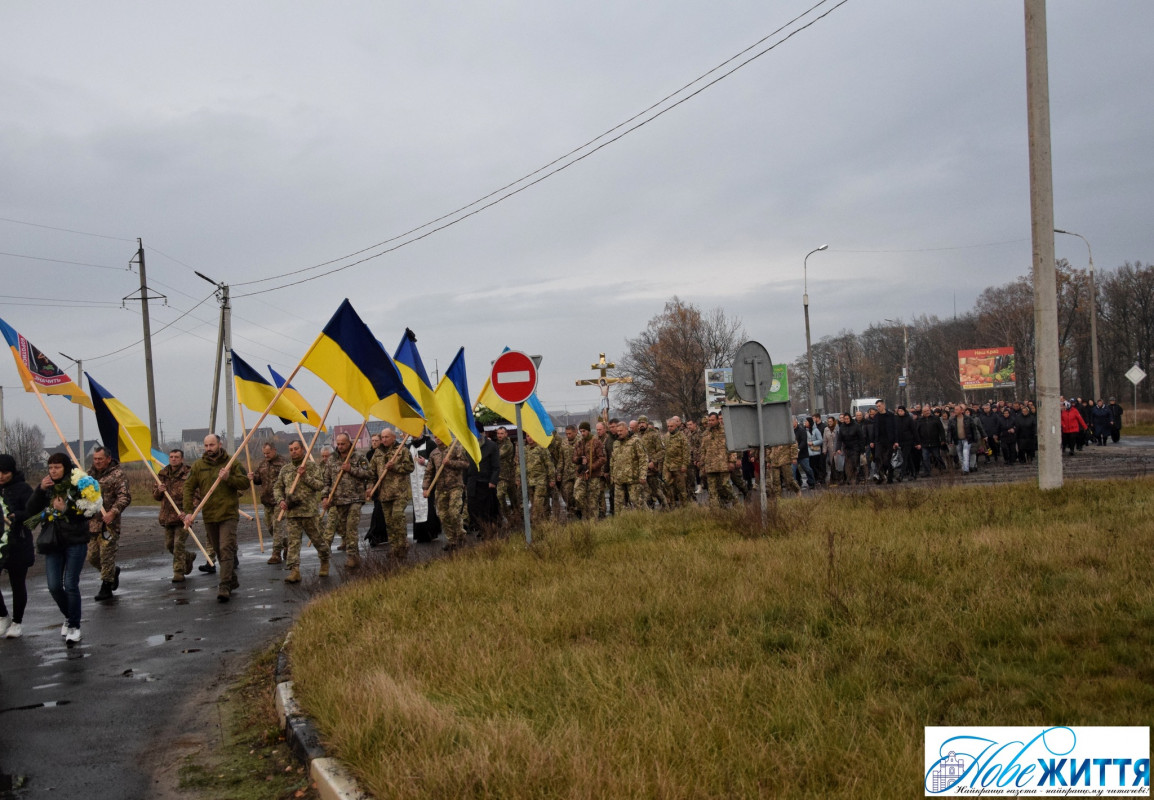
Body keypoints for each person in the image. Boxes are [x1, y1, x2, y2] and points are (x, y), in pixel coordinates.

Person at [27, 453, 98, 645]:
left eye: (57, 467)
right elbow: (30, 509)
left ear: (65, 468)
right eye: (50, 468)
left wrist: (66, 510)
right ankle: (69, 614)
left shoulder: (79, 484)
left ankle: (74, 626)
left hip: (75, 541)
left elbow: (89, 512)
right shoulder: (47, 487)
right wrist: (40, 490)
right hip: (53, 542)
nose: (53, 471)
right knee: (54, 586)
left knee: (70, 584)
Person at [182, 434, 250, 602]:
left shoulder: (231, 462)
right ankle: (231, 578)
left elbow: (245, 483)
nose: (208, 448)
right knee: (219, 550)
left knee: (226, 547)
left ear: (219, 444)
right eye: (206, 445)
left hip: (228, 514)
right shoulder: (198, 466)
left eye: (211, 445)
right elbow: (188, 488)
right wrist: (188, 512)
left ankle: (224, 585)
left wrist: (229, 478)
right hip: (210, 515)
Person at [275, 439, 330, 583]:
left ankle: (324, 560)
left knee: (318, 539)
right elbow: (277, 487)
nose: (294, 451)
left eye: (296, 448)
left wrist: (305, 476)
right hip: (292, 512)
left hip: (309, 512)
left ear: (303, 450)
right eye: (291, 449)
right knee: (293, 542)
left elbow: (319, 485)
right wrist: (280, 500)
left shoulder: (311, 467)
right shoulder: (286, 469)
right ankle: (295, 570)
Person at [87, 446, 132, 602]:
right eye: (95, 459)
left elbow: (124, 497)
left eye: (100, 459)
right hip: (92, 524)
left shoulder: (118, 475)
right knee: (92, 557)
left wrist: (113, 512)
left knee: (106, 556)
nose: (97, 462)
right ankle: (113, 572)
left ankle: (106, 587)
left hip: (109, 525)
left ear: (108, 458)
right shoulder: (89, 475)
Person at [321, 432, 371, 569]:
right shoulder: (332, 459)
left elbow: (369, 473)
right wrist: (325, 496)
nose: (340, 446)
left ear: (349, 443)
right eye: (338, 444)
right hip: (339, 499)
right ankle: (354, 553)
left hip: (355, 498)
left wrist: (351, 469)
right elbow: (326, 481)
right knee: (343, 528)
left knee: (351, 527)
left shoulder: (359, 457)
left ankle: (352, 556)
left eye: (343, 443)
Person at [367, 428, 415, 562]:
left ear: (394, 438)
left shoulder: (402, 450)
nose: (384, 440)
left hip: (400, 492)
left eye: (387, 437)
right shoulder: (378, 453)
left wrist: (395, 467)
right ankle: (395, 547)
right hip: (384, 494)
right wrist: (370, 488)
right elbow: (371, 474)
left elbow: (410, 467)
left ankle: (402, 545)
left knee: (397, 517)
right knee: (389, 523)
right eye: (382, 437)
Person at [0, 454, 34, 639]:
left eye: (5, 472)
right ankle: (3, 615)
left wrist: (16, 516)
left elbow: (31, 512)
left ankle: (17, 622)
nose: (1, 476)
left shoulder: (23, 488)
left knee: (17, 584)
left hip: (18, 542)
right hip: (0, 544)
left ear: (12, 471)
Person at [153, 449, 195, 583]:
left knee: (178, 545)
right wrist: (159, 491)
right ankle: (187, 557)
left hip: (183, 517)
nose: (173, 459)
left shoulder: (189, 474)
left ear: (182, 459)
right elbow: (155, 496)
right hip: (168, 517)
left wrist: (188, 510)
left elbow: (196, 495)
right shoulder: (163, 474)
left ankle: (178, 572)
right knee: (169, 545)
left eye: (176, 457)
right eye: (171, 457)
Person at [423, 438, 470, 550]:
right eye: (435, 436)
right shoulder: (434, 453)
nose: (437, 438)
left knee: (453, 513)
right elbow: (429, 472)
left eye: (439, 436)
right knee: (443, 515)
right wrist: (425, 487)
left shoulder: (455, 448)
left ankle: (461, 536)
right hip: (440, 488)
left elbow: (466, 464)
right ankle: (452, 540)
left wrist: (450, 463)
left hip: (455, 486)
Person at [249, 442, 286, 564]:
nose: (266, 456)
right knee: (270, 527)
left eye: (268, 453)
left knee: (277, 526)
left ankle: (276, 554)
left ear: (274, 450)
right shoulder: (263, 464)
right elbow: (258, 479)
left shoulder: (283, 463)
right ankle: (287, 543)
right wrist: (252, 477)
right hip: (266, 501)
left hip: (279, 501)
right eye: (264, 453)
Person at [572, 421, 607, 520]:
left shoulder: (596, 442)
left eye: (584, 431)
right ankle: (583, 512)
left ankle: (593, 523)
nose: (582, 433)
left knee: (593, 501)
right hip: (581, 475)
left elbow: (602, 459)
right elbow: (573, 458)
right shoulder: (579, 443)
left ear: (588, 430)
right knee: (577, 496)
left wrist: (590, 467)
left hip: (593, 475)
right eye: (581, 431)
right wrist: (579, 460)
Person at [611, 418, 648, 511]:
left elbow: (643, 458)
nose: (619, 433)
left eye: (621, 431)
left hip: (633, 478)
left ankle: (646, 520)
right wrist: (613, 476)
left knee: (638, 503)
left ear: (627, 430)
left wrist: (643, 475)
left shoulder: (635, 441)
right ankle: (623, 522)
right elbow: (613, 460)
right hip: (619, 479)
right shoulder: (616, 443)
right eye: (618, 431)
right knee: (618, 505)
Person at [701, 412, 736, 508]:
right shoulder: (705, 434)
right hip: (710, 465)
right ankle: (715, 509)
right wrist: (702, 465)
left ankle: (735, 502)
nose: (710, 422)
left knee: (726, 486)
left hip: (723, 464)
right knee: (712, 489)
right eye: (709, 420)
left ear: (717, 420)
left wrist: (732, 461)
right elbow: (703, 450)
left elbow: (732, 448)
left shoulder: (725, 431)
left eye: (712, 420)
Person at [519, 434, 556, 524]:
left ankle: (535, 525)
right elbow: (519, 465)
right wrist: (518, 477)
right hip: (529, 482)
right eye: (527, 436)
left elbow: (549, 464)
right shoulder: (524, 450)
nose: (530, 438)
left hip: (541, 481)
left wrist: (552, 479)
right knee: (539, 504)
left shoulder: (541, 448)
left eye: (531, 436)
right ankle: (544, 524)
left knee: (537, 506)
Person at [637, 416, 666, 508]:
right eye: (640, 423)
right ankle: (650, 509)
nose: (641, 425)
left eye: (643, 423)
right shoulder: (636, 436)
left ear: (647, 423)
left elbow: (662, 451)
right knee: (645, 492)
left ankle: (665, 507)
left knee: (656, 490)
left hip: (652, 468)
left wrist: (654, 461)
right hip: (641, 469)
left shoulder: (654, 435)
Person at [494, 427, 521, 525]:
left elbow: (498, 454)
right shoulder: (496, 444)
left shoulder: (508, 445)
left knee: (514, 499)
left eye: (502, 433)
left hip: (508, 476)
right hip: (500, 477)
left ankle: (518, 518)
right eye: (498, 433)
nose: (500, 435)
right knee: (500, 496)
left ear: (506, 434)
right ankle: (509, 518)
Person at [662, 416, 689, 507]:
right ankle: (672, 504)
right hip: (668, 465)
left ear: (676, 426)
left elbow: (686, 452)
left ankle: (684, 505)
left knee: (681, 487)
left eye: (671, 426)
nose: (669, 428)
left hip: (678, 465)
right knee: (667, 484)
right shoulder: (666, 436)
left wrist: (684, 464)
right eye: (668, 426)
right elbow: (664, 450)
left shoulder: (682, 437)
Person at [870, 400, 899, 484]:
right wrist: (872, 441)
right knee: (878, 458)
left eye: (879, 406)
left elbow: (895, 429)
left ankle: (889, 477)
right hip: (879, 441)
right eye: (877, 406)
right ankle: (880, 477)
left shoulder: (891, 415)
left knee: (888, 460)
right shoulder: (876, 417)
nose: (878, 408)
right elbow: (874, 429)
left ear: (883, 405)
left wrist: (896, 441)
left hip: (889, 441)